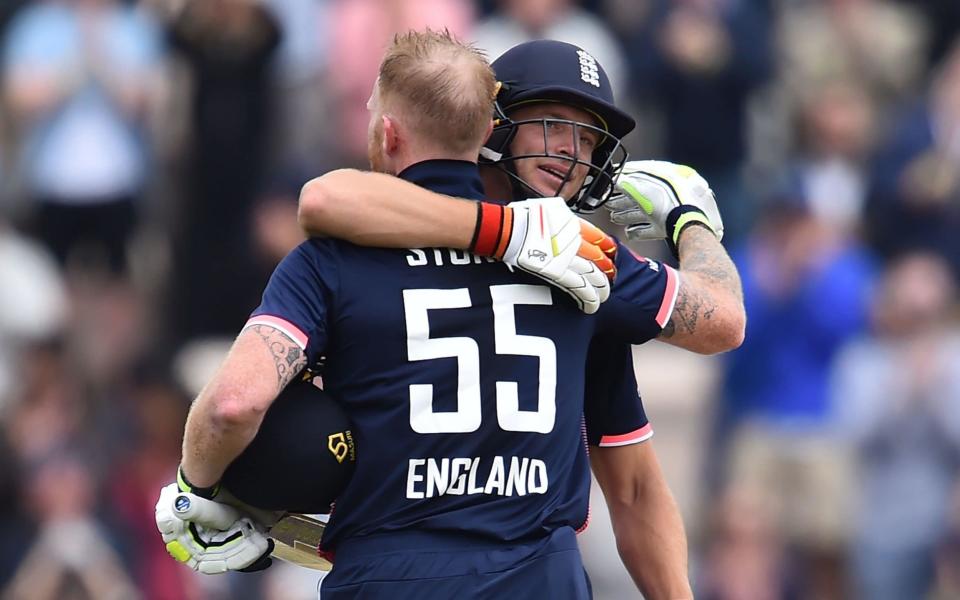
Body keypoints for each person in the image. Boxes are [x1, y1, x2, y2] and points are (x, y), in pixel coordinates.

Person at [164, 32, 742, 598]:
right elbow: (720, 319)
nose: (570, 152)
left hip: (386, 575)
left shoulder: (338, 255)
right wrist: (692, 223)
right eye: (551, 125)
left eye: (588, 140)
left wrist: (197, 489)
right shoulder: (586, 264)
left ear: (387, 132)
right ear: (493, 126)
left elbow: (234, 402)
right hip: (536, 578)